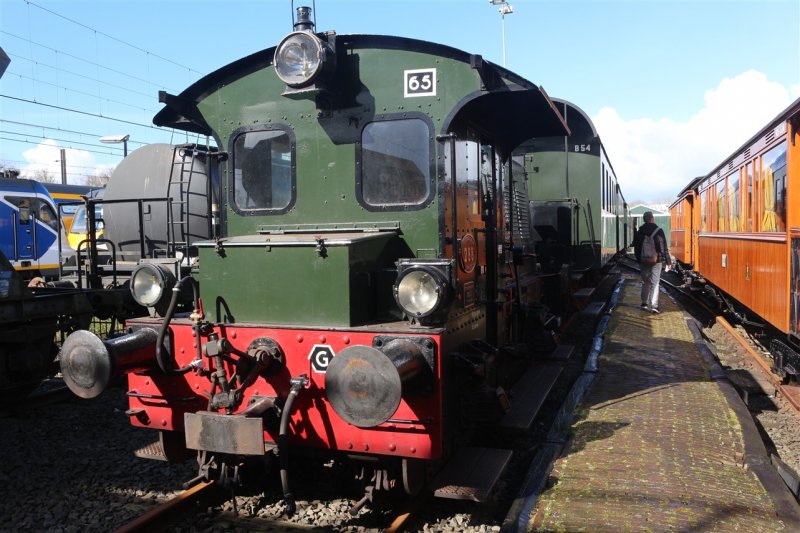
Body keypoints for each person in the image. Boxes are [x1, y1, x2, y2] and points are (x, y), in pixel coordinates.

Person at [633, 211, 671, 314]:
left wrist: (639, 260)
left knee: (645, 282)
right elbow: (663, 247)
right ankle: (654, 306)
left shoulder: (640, 231)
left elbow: (636, 248)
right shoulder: (659, 231)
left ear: (644, 219)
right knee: (655, 283)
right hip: (656, 261)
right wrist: (668, 261)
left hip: (643, 261)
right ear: (652, 218)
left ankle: (644, 304)